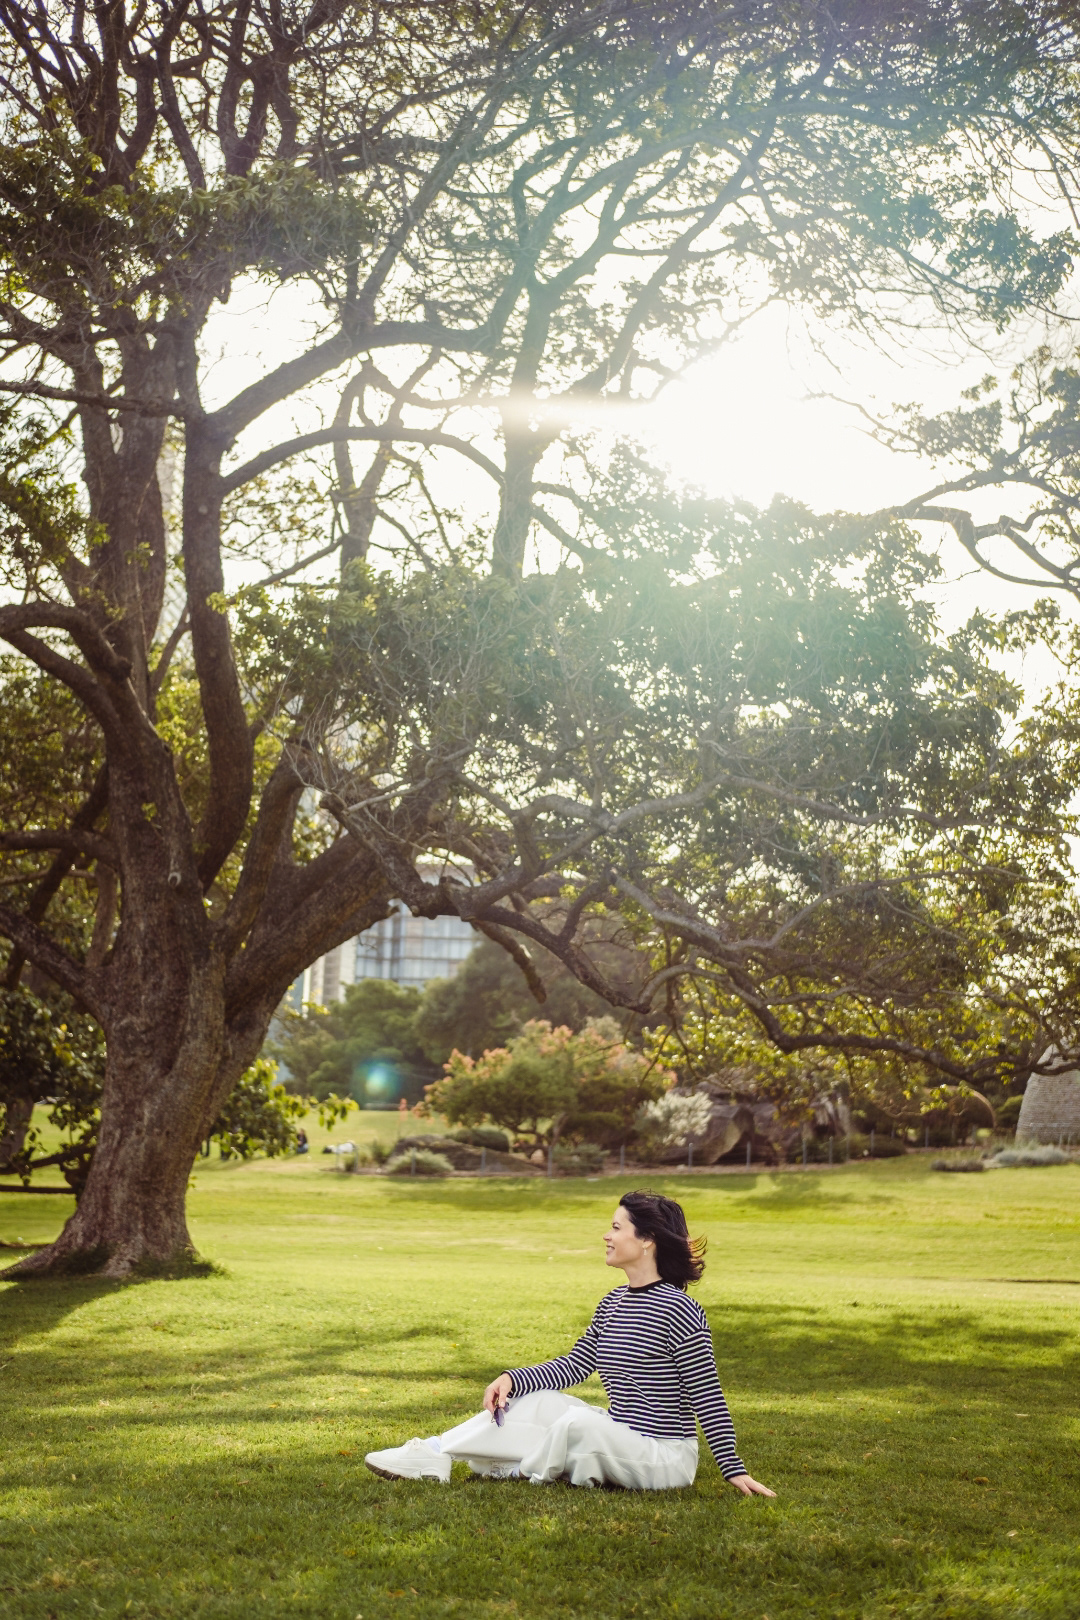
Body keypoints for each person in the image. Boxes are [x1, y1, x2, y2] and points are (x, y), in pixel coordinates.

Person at [364, 1190, 775, 1495]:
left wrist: (733, 1469)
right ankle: (435, 1453)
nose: (606, 1236)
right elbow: (577, 1364)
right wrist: (512, 1379)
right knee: (541, 1402)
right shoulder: (613, 1302)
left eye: (616, 1228)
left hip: (663, 1455)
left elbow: (708, 1396)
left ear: (647, 1239)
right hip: (619, 1431)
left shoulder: (681, 1310)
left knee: (578, 1424)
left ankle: (514, 1469)